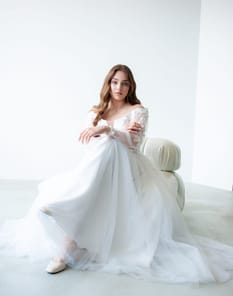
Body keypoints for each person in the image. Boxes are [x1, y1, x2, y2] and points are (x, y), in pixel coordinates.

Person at [1, 64, 233, 283]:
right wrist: (113, 132)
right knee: (106, 146)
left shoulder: (138, 111)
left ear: (131, 87)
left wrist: (108, 129)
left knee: (110, 144)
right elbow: (90, 146)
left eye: (124, 84)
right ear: (108, 84)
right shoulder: (96, 111)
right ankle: (70, 229)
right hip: (99, 164)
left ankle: (68, 239)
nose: (119, 88)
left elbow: (133, 142)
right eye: (114, 82)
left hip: (128, 166)